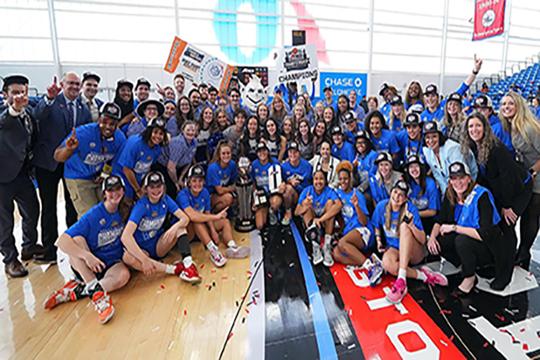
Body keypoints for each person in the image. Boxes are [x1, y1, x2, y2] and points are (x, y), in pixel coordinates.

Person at [43, 175, 130, 324]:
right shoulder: (94, 214)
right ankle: (100, 299)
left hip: (112, 262)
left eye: (118, 189)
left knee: (124, 276)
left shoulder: (126, 209)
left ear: (123, 191)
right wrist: (87, 256)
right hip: (90, 265)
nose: (114, 193)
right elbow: (61, 241)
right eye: (110, 190)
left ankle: (76, 291)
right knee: (77, 239)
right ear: (104, 193)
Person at [461, 112, 532, 286]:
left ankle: (505, 274)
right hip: (500, 190)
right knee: (496, 227)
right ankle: (498, 263)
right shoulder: (474, 146)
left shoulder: (496, 148)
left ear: (485, 127)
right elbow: (485, 176)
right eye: (471, 126)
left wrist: (508, 206)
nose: (474, 129)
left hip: (519, 189)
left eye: (478, 125)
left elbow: (508, 180)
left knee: (506, 227)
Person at [33, 72, 92, 263]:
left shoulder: (83, 108)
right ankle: (49, 251)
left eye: (77, 84)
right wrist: (49, 97)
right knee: (48, 207)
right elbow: (37, 115)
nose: (74, 87)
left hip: (72, 165)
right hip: (48, 163)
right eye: (71, 83)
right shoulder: (51, 102)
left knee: (72, 206)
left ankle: (74, 249)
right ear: (63, 84)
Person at [427, 162, 507, 293]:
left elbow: (484, 234)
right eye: (454, 178)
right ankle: (465, 263)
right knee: (440, 242)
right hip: (466, 241)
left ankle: (470, 277)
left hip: (487, 244)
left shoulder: (482, 196)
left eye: (461, 178)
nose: (458, 182)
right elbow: (440, 220)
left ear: (469, 178)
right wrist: (432, 238)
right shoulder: (451, 194)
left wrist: (454, 228)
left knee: (461, 240)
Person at [371, 180, 447, 304]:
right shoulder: (382, 206)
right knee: (387, 263)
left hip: (414, 251)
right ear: (391, 192)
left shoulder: (410, 209)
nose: (397, 197)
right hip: (395, 248)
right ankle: (424, 276)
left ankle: (401, 281)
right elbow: (376, 226)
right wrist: (379, 241)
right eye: (395, 192)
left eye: (401, 195)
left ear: (406, 199)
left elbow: (422, 239)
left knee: (404, 226)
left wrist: (411, 225)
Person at [121, 171, 200, 283]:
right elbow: (125, 236)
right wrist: (144, 260)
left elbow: (185, 218)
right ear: (146, 189)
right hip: (141, 250)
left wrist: (174, 228)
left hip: (158, 245)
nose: (156, 190)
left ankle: (188, 265)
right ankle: (175, 270)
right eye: (152, 187)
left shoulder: (165, 199)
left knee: (180, 228)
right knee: (127, 258)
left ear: (163, 187)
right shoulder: (142, 205)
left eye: (159, 186)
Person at [0, 75, 42, 277]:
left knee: (32, 211)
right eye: (15, 92)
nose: (20, 96)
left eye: (23, 92)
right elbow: (5, 121)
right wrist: (14, 110)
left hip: (23, 174)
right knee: (4, 221)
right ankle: (10, 260)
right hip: (2, 177)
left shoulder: (29, 113)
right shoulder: (4, 114)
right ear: (5, 94)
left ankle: (29, 246)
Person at [54, 103, 126, 218]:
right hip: (78, 177)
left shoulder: (120, 138)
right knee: (90, 217)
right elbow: (57, 156)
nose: (108, 126)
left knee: (107, 210)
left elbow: (112, 160)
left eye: (112, 124)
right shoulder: (83, 133)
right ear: (98, 119)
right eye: (104, 121)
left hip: (97, 177)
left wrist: (105, 173)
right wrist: (68, 149)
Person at [177, 165, 249, 267]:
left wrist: (213, 231)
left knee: (225, 222)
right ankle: (213, 251)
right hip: (188, 232)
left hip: (202, 229)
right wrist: (216, 217)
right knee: (197, 220)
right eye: (194, 181)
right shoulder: (182, 195)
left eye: (200, 180)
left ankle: (232, 246)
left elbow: (207, 212)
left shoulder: (205, 192)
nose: (197, 184)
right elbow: (193, 216)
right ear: (188, 182)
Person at [499, 91, 540, 268]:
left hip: (536, 175)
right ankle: (522, 250)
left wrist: (533, 171)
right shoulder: (511, 126)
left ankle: (524, 251)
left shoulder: (530, 128)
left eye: (510, 104)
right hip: (526, 176)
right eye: (503, 104)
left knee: (532, 215)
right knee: (526, 214)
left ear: (518, 106)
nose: (506, 107)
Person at [295, 170, 341, 267]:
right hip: (311, 222)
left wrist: (320, 219)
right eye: (316, 179)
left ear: (325, 181)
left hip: (324, 222)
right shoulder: (307, 191)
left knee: (330, 203)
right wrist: (305, 205)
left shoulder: (329, 191)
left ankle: (327, 245)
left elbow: (339, 205)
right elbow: (296, 212)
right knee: (306, 207)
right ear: (312, 181)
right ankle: (315, 245)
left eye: (321, 179)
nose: (318, 182)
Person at [114, 117, 167, 200]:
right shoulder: (135, 143)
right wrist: (137, 190)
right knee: (126, 204)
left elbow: (148, 167)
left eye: (161, 134)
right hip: (123, 178)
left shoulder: (157, 148)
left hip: (139, 179)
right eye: (155, 132)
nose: (158, 136)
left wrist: (143, 186)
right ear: (149, 131)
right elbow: (126, 169)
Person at [332, 162, 374, 268]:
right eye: (340, 179)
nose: (343, 182)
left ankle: (371, 267)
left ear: (350, 178)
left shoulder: (357, 195)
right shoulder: (337, 193)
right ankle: (368, 261)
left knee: (342, 243)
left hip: (362, 230)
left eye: (345, 179)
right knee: (336, 254)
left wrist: (357, 206)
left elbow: (364, 222)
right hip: (349, 232)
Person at [421, 55, 483, 124]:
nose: (430, 99)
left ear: (438, 97)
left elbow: (464, 87)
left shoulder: (446, 104)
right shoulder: (422, 116)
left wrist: (475, 71)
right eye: (427, 96)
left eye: (433, 96)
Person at [422, 121, 478, 194]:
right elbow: (438, 176)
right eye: (427, 137)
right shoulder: (427, 151)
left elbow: (462, 176)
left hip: (470, 181)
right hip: (452, 186)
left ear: (440, 136)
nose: (431, 140)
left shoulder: (452, 149)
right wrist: (447, 195)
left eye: (434, 136)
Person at [155, 120, 198, 197]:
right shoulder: (178, 143)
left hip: (178, 168)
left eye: (193, 130)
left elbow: (189, 161)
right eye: (188, 130)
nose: (190, 132)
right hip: (163, 166)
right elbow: (170, 168)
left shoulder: (195, 142)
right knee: (173, 190)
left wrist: (181, 178)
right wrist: (176, 183)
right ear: (182, 131)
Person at [403, 155, 440, 233]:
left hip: (428, 220)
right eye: (411, 167)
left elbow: (433, 212)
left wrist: (414, 214)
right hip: (413, 218)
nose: (414, 169)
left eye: (416, 166)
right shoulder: (407, 184)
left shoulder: (430, 184)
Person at [251, 143, 283, 229]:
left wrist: (282, 186)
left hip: (273, 193)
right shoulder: (254, 165)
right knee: (260, 225)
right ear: (257, 153)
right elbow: (253, 183)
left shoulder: (274, 162)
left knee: (275, 202)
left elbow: (282, 179)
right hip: (261, 195)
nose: (262, 153)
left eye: (264, 150)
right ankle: (266, 210)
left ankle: (273, 211)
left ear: (268, 151)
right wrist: (255, 198)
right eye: (259, 151)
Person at [280, 141, 313, 224]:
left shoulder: (307, 166)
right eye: (290, 152)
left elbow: (311, 183)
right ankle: (288, 212)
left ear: (299, 153)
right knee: (287, 189)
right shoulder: (283, 167)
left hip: (305, 194)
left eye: (295, 152)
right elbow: (282, 182)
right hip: (293, 195)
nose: (293, 154)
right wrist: (288, 181)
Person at [206, 141, 238, 212]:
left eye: (228, 153)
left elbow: (235, 181)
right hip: (210, 195)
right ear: (219, 155)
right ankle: (213, 214)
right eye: (223, 153)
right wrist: (232, 188)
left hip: (224, 190)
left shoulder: (232, 164)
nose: (226, 156)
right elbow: (219, 191)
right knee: (228, 198)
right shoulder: (213, 168)